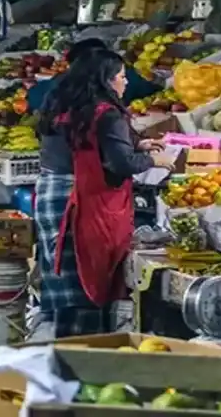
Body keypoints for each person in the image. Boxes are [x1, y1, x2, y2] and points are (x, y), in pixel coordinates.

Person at [48, 50, 172, 336]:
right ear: (106, 80)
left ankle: (66, 348)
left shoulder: (72, 105)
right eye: (121, 76)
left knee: (68, 287)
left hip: (61, 196)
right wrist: (153, 160)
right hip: (89, 206)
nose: (126, 82)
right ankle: (87, 351)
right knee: (89, 282)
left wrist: (134, 145)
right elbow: (121, 163)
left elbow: (94, 144)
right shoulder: (108, 113)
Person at [31, 38, 107, 340]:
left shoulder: (56, 91)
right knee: (80, 283)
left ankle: (54, 344)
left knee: (58, 273)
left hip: (49, 189)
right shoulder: (93, 104)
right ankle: (72, 353)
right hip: (74, 193)